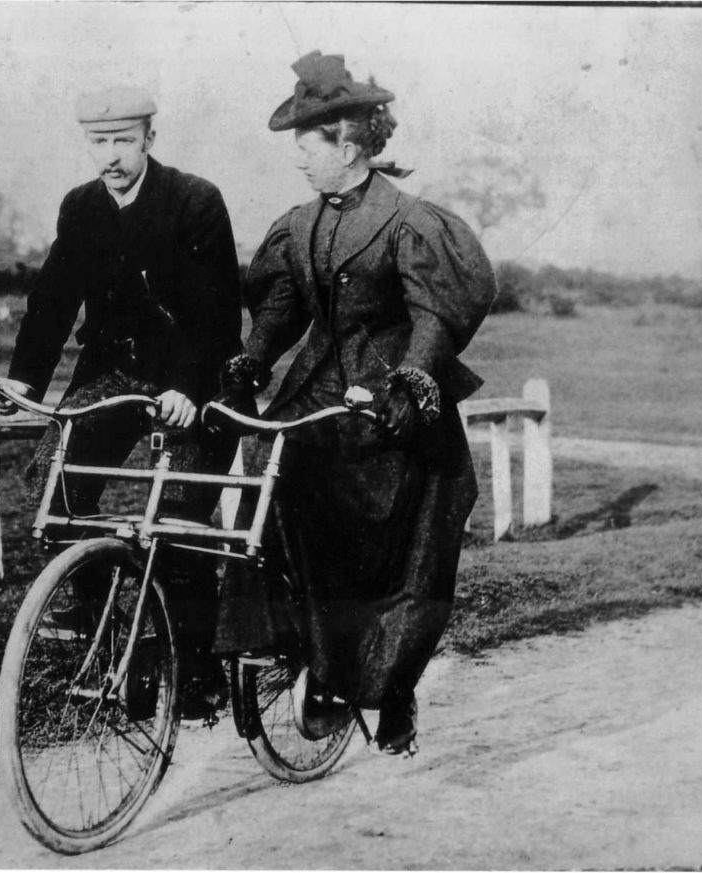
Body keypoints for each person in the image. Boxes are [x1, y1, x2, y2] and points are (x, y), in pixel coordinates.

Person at [213, 52, 497, 754]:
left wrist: (413, 379)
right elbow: (282, 308)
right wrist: (254, 355)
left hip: (397, 400)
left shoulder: (408, 221)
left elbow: (433, 313)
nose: (299, 162)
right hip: (320, 387)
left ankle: (391, 690)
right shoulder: (301, 224)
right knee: (283, 491)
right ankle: (306, 652)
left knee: (397, 548)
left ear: (347, 145)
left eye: (307, 147)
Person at [0, 85, 243, 714]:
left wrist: (188, 387)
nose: (111, 155)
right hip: (117, 375)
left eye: (123, 140)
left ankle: (198, 668)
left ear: (150, 138)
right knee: (52, 478)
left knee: (179, 519)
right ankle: (96, 620)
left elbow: (216, 312)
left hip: (196, 381)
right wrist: (24, 382)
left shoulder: (195, 201)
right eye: (99, 142)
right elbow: (53, 298)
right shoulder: (82, 207)